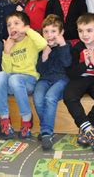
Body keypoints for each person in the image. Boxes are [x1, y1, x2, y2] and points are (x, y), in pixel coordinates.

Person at [63, 13, 94, 151]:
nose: (84, 34)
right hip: (80, 78)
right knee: (69, 95)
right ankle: (88, 128)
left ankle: (87, 128)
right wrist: (84, 64)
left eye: (89, 30)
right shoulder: (76, 48)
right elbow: (71, 73)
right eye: (80, 31)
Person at [0, 11, 47, 139]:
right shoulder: (9, 44)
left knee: (14, 79)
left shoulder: (30, 40)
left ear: (25, 26)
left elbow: (43, 44)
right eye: (9, 25)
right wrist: (6, 50)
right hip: (13, 81)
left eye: (16, 23)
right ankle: (4, 119)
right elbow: (6, 70)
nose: (12, 27)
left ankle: (26, 119)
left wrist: (27, 31)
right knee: (0, 75)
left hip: (29, 80)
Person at [33, 15, 72, 150]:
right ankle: (46, 128)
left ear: (61, 33)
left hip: (61, 79)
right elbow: (40, 69)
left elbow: (67, 63)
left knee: (50, 97)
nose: (49, 35)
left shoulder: (66, 46)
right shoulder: (43, 48)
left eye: (53, 31)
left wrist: (61, 45)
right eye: (46, 32)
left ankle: (46, 132)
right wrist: (44, 55)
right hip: (44, 79)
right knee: (38, 98)